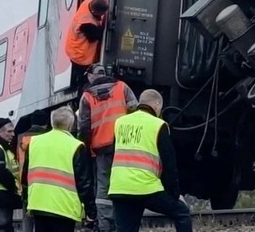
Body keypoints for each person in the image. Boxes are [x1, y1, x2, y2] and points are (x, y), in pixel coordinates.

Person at [108, 90, 192, 232]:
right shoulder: (159, 125)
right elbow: (169, 164)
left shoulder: (120, 122)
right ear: (157, 104)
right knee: (182, 213)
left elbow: (114, 154)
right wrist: (175, 194)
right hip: (145, 188)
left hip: (119, 188)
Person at [77, 63, 138, 232]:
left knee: (103, 187)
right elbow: (135, 110)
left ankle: (104, 225)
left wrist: (84, 149)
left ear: (91, 77)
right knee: (125, 183)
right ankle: (124, 223)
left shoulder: (87, 97)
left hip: (100, 148)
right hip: (123, 144)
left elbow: (83, 127)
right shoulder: (122, 87)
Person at [22, 106, 97, 232]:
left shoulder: (34, 143)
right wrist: (91, 211)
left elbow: (25, 177)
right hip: (63, 208)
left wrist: (27, 201)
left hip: (39, 206)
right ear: (70, 124)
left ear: (52, 122)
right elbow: (84, 183)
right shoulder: (76, 146)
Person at [64, 0, 109, 83]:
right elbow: (96, 36)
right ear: (94, 12)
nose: (102, 15)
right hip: (79, 54)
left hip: (74, 48)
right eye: (101, 14)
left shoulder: (89, 1)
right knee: (82, 79)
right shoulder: (86, 23)